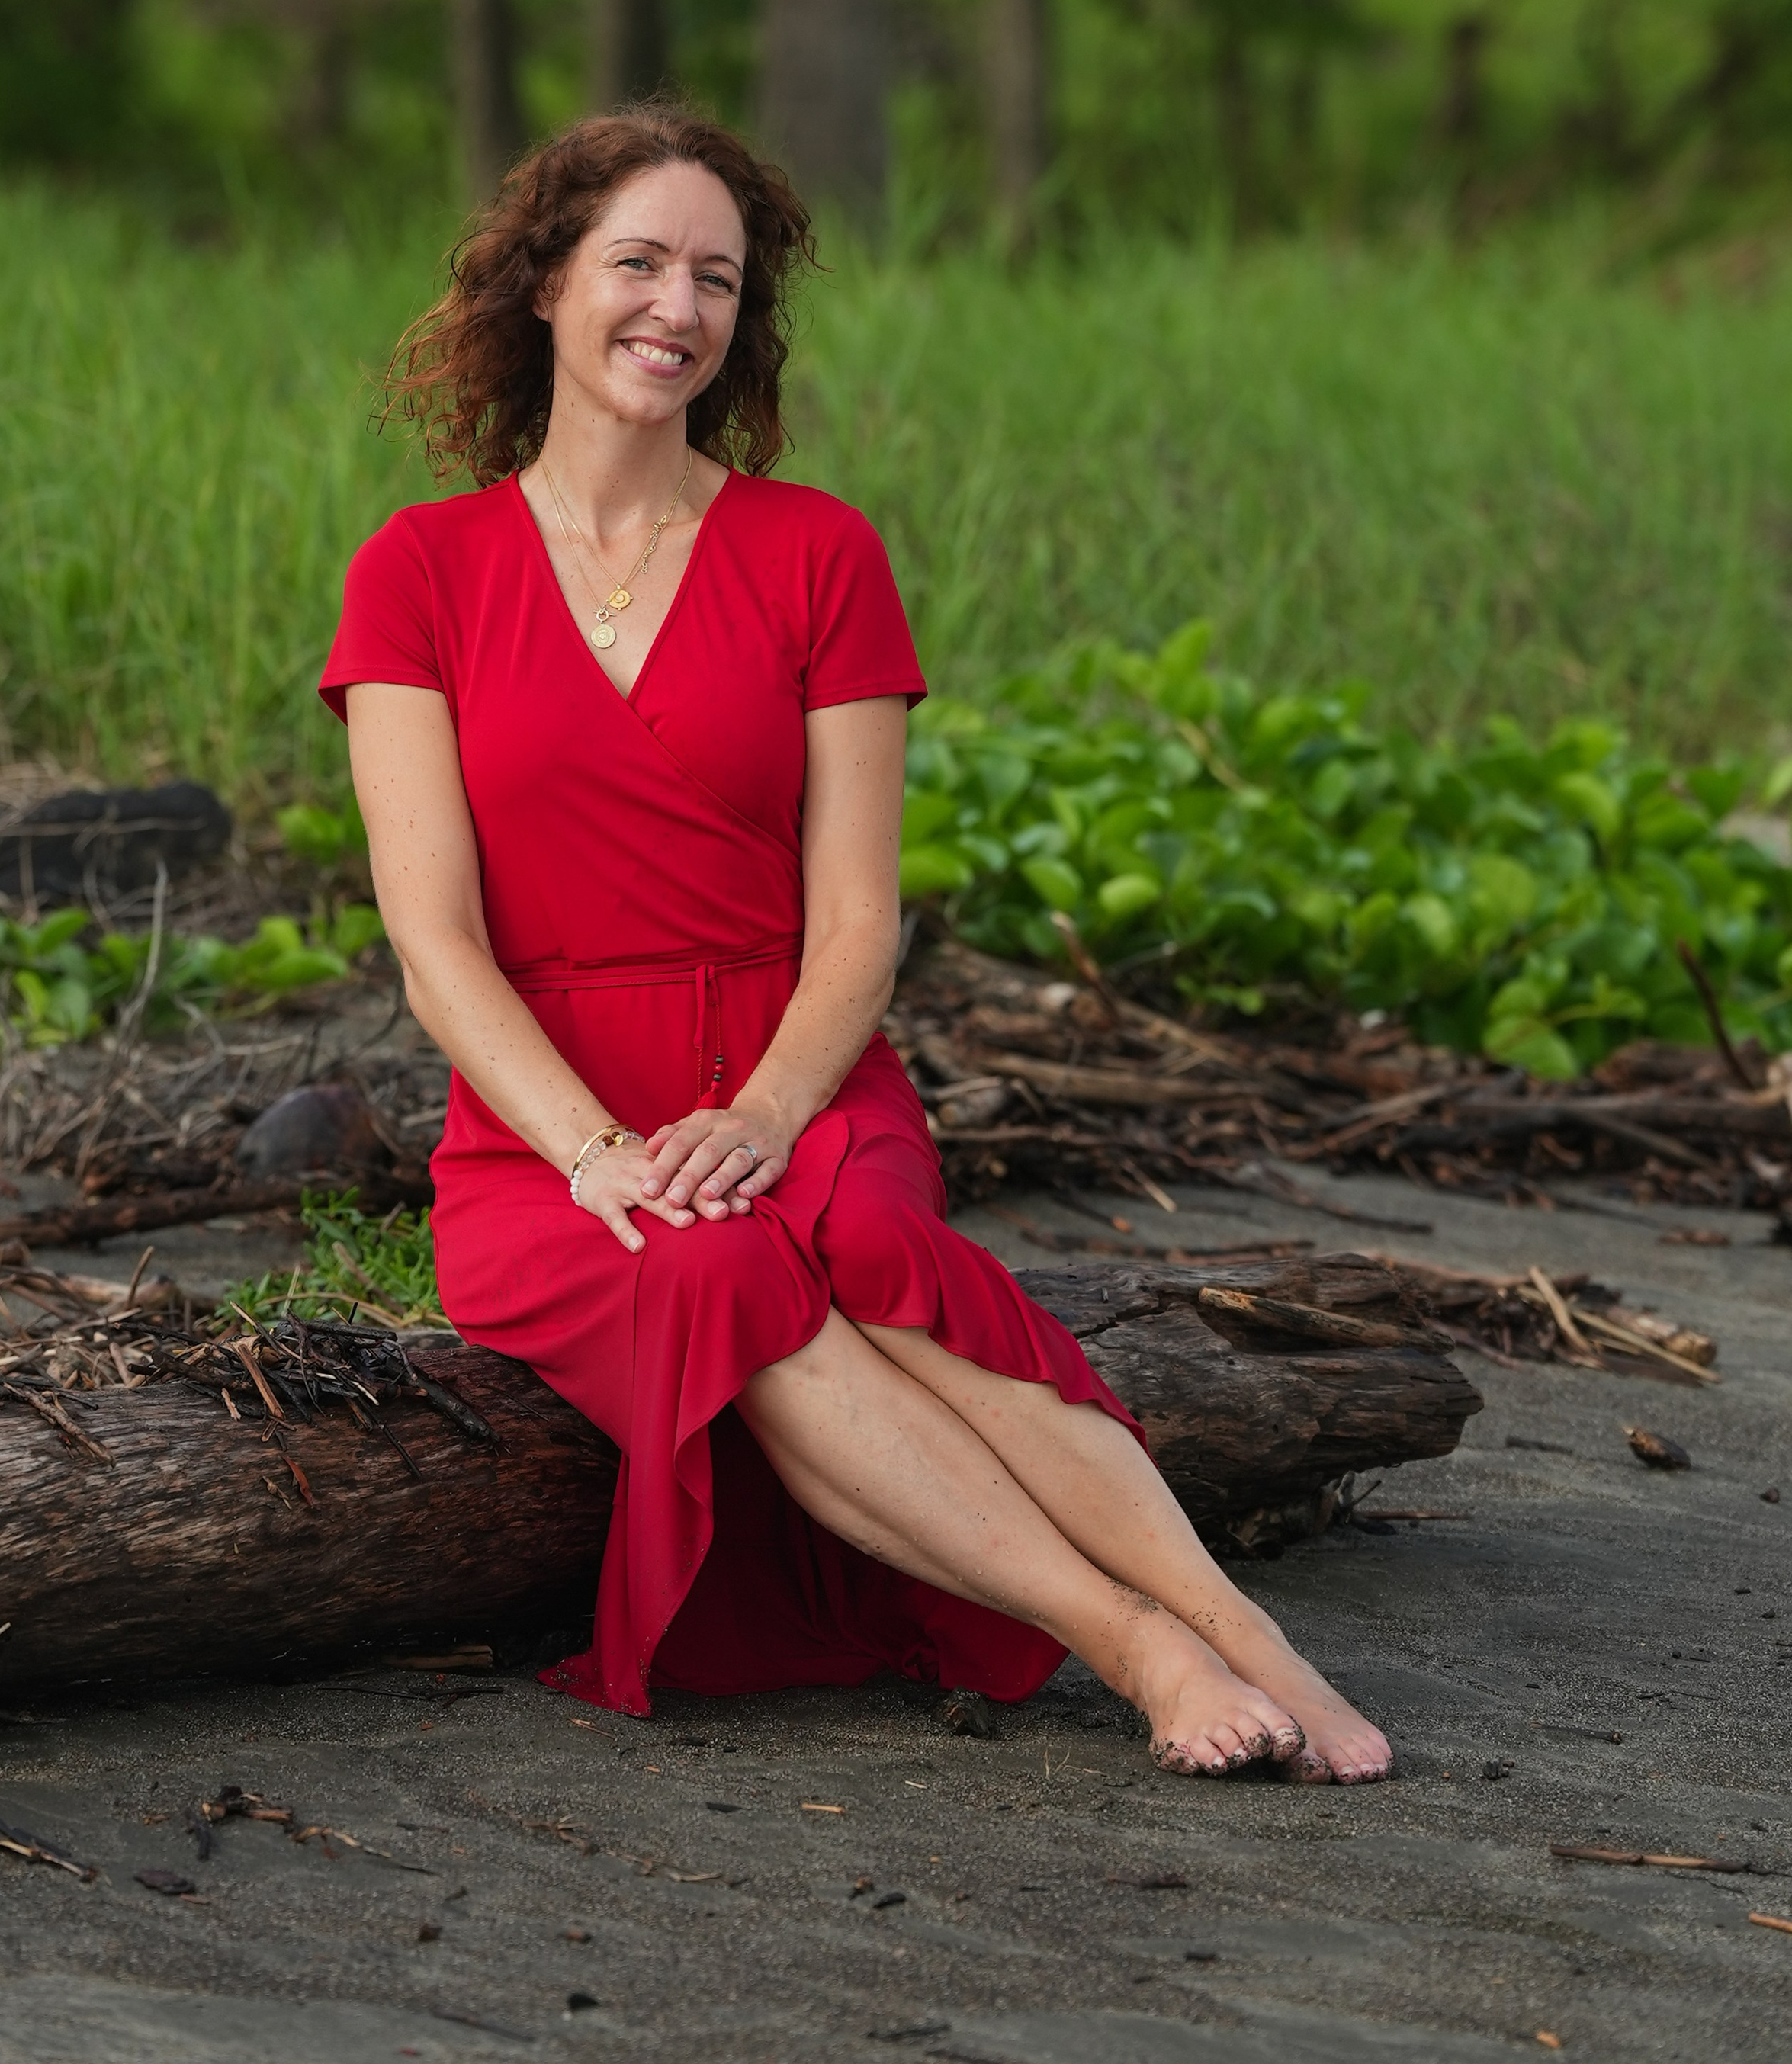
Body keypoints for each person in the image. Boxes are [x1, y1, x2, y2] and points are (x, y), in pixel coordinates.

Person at [320, 108, 1391, 1783]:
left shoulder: (816, 551)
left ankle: (1254, 1643)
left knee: (873, 1253)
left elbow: (857, 925)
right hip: (547, 1131)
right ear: (541, 285)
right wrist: (600, 1154)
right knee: (711, 1263)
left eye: (718, 279)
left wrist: (759, 1120)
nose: (676, 307)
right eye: (637, 263)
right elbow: (433, 946)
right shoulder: (419, 573)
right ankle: (1134, 1647)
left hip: (798, 1072)